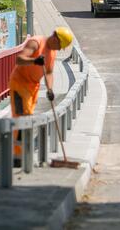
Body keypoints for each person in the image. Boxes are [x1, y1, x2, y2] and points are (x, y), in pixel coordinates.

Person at [10, 26, 74, 166]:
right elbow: (19, 59)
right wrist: (34, 61)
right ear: (55, 38)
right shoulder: (36, 42)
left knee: (27, 117)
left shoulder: (52, 53)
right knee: (22, 116)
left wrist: (50, 89)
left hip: (33, 87)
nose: (58, 49)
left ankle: (20, 153)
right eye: (59, 46)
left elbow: (49, 72)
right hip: (19, 83)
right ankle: (17, 156)